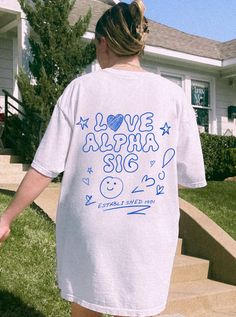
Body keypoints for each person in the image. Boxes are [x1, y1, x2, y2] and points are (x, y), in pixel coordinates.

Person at [0, 1, 207, 316]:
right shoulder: (174, 97)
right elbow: (187, 176)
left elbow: (44, 167)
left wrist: (7, 217)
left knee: (86, 310)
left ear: (103, 42)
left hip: (90, 231)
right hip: (148, 234)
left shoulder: (80, 90)